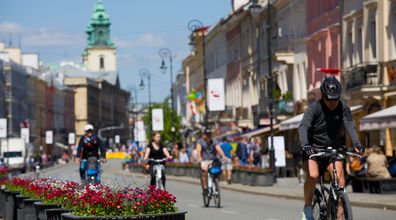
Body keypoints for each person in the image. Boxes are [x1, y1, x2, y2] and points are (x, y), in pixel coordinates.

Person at [298, 76, 364, 220]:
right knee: (313, 175)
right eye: (329, 99)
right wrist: (305, 145)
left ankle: (340, 215)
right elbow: (303, 127)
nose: (333, 102)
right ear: (322, 96)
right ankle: (308, 208)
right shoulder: (314, 108)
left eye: (335, 99)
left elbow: (349, 125)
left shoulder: (343, 107)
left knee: (340, 183)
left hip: (334, 149)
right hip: (313, 149)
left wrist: (356, 143)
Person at [196, 128, 229, 195]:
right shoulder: (200, 141)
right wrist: (199, 157)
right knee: (204, 173)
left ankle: (216, 183)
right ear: (204, 135)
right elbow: (198, 149)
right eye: (207, 135)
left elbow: (218, 149)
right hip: (204, 160)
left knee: (218, 170)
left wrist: (223, 156)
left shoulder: (214, 141)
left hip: (213, 160)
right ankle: (205, 188)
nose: (208, 136)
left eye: (209, 135)